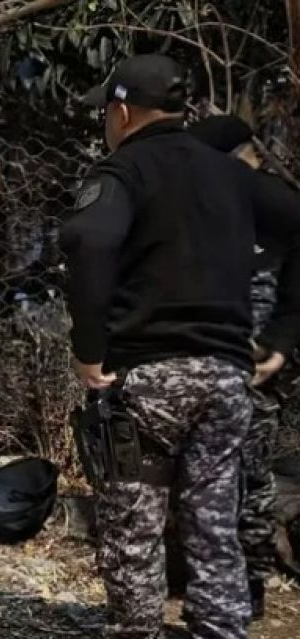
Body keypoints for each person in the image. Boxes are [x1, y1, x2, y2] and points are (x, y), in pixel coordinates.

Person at [63, 54, 300, 639]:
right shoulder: (232, 174)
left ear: (121, 111)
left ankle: (138, 630)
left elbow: (88, 242)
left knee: (133, 528)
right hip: (225, 378)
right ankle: (221, 629)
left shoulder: (123, 171)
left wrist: (89, 349)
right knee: (213, 523)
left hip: (147, 380)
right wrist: (281, 335)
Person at [189, 114, 300, 620]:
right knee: (229, 482)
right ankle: (225, 589)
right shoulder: (199, 205)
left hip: (248, 361)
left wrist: (278, 342)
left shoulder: (272, 203)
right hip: (216, 358)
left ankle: (243, 588)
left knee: (246, 481)